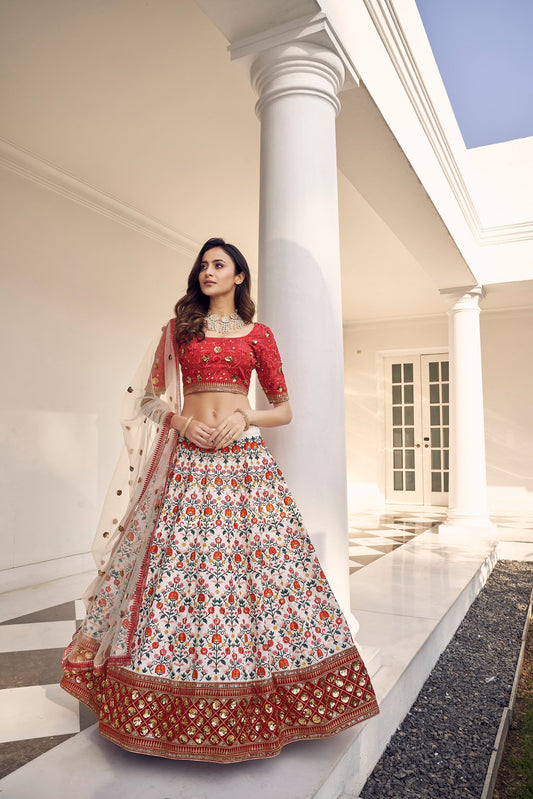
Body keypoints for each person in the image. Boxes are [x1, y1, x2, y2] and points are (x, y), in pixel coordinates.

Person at [61, 237, 379, 763]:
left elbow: (283, 408)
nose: (207, 272)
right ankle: (162, 699)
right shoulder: (178, 330)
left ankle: (273, 700)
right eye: (203, 265)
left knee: (257, 573)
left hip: (243, 466)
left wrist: (245, 417)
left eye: (218, 265)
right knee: (179, 573)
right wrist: (184, 421)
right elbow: (144, 399)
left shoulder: (260, 335)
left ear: (238, 277)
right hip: (187, 463)